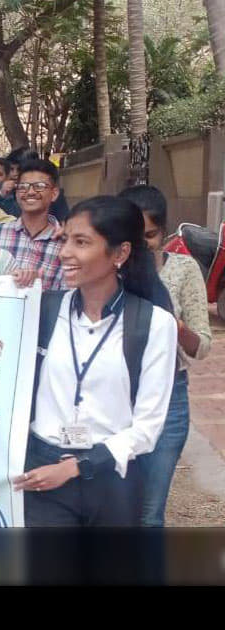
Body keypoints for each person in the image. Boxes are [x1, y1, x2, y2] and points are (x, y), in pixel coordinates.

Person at [13, 196, 177, 527]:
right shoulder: (42, 309)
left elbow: (148, 427)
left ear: (120, 253)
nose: (64, 252)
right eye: (65, 240)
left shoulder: (154, 324)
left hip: (111, 478)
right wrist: (13, 290)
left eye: (81, 242)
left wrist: (77, 467)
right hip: (43, 471)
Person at [120, 185, 212, 527]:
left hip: (167, 398)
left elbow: (201, 347)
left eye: (150, 235)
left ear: (164, 232)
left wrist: (174, 326)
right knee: (111, 509)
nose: (142, 244)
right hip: (113, 396)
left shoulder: (183, 270)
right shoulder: (106, 270)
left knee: (149, 512)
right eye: (134, 236)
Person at [0, 159, 68, 291]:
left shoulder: (65, 242)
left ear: (54, 193)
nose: (30, 192)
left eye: (39, 186)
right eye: (23, 186)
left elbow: (66, 292)